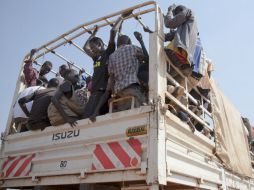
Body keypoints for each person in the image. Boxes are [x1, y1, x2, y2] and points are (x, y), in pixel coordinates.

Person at [82, 12, 131, 119]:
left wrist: (121, 18)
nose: (92, 50)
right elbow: (84, 47)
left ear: (100, 45)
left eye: (93, 47)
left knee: (92, 117)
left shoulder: (108, 52)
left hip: (103, 90)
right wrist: (93, 34)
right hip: (95, 91)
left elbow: (113, 31)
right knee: (86, 117)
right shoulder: (96, 57)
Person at [89, 34, 146, 122]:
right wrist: (141, 41)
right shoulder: (133, 48)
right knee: (141, 115)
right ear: (129, 42)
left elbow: (111, 78)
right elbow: (147, 58)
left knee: (124, 120)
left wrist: (113, 95)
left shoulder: (112, 56)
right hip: (133, 89)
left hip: (119, 95)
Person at [164, 5, 198, 76]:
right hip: (184, 61)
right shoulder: (187, 27)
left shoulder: (188, 11)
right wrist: (152, 32)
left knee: (156, 54)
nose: (176, 18)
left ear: (180, 11)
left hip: (178, 53)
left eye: (176, 16)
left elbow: (169, 23)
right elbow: (169, 36)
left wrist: (169, 12)